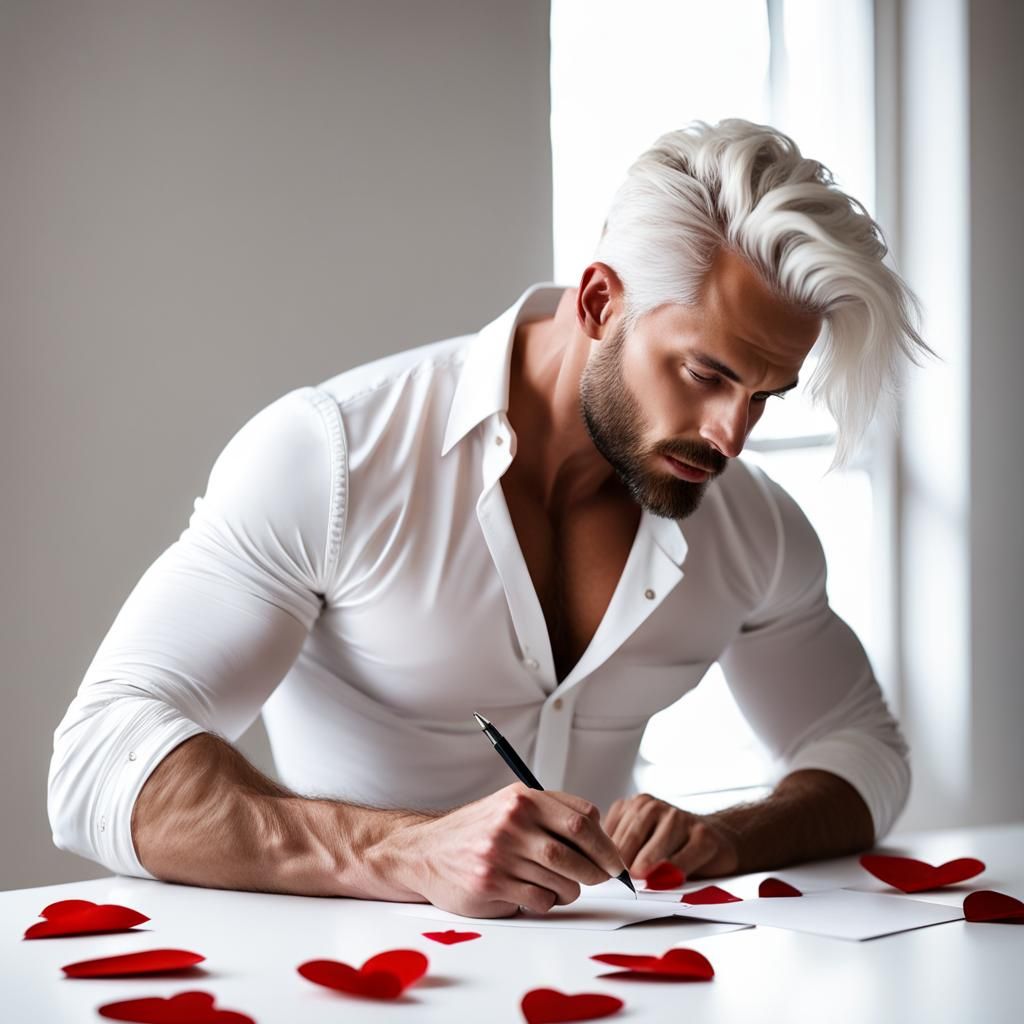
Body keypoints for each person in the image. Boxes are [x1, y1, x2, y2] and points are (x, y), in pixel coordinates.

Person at [48, 119, 928, 919]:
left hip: (617, 988)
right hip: (336, 987)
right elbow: (98, 760)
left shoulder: (753, 526)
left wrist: (735, 834)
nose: (732, 436)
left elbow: (864, 751)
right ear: (597, 303)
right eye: (706, 375)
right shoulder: (335, 457)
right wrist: (404, 851)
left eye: (766, 395)